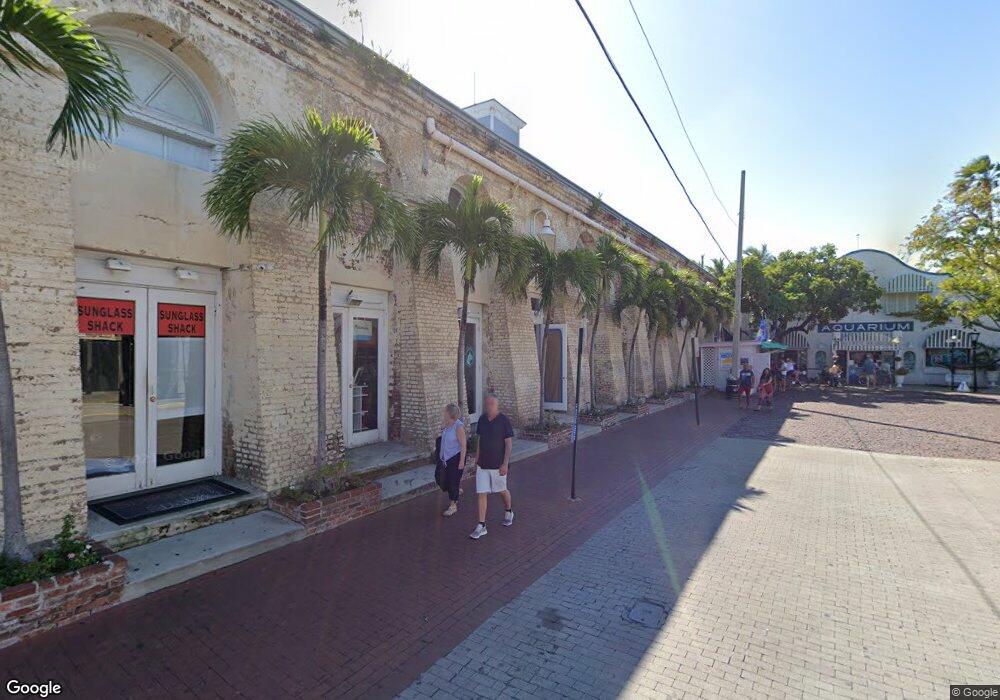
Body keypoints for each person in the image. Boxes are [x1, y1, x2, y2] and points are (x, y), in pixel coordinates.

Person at [470, 393, 514, 540]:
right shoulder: (482, 420)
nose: (488, 406)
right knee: (482, 493)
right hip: (483, 464)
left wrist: (505, 463)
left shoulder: (504, 421)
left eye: (491, 404)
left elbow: (508, 443)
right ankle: (481, 525)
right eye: (487, 403)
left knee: (502, 490)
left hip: (498, 465)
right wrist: (476, 459)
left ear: (497, 405)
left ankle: (509, 511)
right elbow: (479, 440)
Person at [438, 403, 467, 517]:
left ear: (449, 414)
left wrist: (461, 461)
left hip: (455, 458)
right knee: (439, 477)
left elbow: (463, 445)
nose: (443, 413)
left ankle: (453, 506)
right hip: (445, 458)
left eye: (445, 411)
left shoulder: (458, 426)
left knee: (453, 482)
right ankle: (455, 490)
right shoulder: (446, 424)